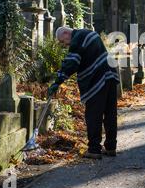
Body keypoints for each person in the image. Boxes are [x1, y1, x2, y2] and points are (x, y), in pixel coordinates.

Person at [48, 27, 120, 159]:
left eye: (63, 42)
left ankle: (94, 149)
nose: (65, 45)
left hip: (98, 79)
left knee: (94, 115)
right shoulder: (88, 33)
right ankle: (110, 147)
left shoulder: (78, 38)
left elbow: (72, 63)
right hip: (110, 75)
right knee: (110, 114)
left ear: (65, 33)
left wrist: (57, 81)